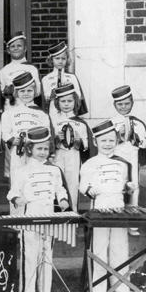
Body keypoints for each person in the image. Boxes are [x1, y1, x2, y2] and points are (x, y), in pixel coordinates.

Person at [7, 127, 70, 292]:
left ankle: (45, 290)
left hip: (49, 214)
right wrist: (18, 199)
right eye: (38, 149)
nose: (42, 152)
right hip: (30, 216)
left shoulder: (55, 170)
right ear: (29, 150)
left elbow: (60, 189)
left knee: (47, 252)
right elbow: (12, 193)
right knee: (30, 255)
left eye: (45, 149)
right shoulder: (21, 171)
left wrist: (63, 199)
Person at [79, 120, 136, 292]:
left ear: (116, 142)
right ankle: (98, 290)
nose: (108, 144)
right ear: (96, 142)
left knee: (120, 248)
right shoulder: (89, 163)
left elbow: (126, 186)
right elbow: (82, 186)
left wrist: (129, 187)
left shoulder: (124, 163)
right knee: (100, 249)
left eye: (111, 141)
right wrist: (89, 190)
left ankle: (121, 290)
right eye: (103, 141)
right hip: (99, 209)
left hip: (119, 209)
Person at [110, 85, 146, 236]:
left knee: (133, 189)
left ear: (132, 103)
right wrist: (117, 135)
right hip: (116, 159)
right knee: (117, 187)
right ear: (114, 105)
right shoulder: (111, 123)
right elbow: (101, 142)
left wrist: (137, 137)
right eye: (120, 104)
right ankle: (116, 221)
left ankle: (132, 224)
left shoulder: (138, 123)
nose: (123, 107)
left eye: (127, 103)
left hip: (133, 159)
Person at [51, 83, 96, 211]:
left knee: (72, 184)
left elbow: (87, 145)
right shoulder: (53, 121)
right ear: (57, 103)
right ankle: (56, 215)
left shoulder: (80, 123)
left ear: (75, 102)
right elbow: (47, 143)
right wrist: (56, 140)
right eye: (63, 101)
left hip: (73, 156)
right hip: (58, 156)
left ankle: (73, 213)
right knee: (57, 183)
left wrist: (79, 141)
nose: (66, 104)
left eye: (69, 101)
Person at [1, 72, 51, 185]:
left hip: (36, 151)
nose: (26, 94)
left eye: (29, 91)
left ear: (35, 92)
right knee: (16, 178)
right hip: (17, 151)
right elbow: (5, 131)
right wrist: (12, 139)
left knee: (35, 179)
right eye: (22, 91)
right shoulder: (9, 113)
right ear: (16, 93)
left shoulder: (41, 113)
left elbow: (47, 131)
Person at [41, 42, 87, 116]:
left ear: (67, 59)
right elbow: (44, 98)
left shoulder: (72, 77)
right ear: (51, 60)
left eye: (63, 58)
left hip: (70, 112)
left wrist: (70, 92)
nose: (60, 61)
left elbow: (78, 95)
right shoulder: (46, 79)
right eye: (57, 58)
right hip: (53, 111)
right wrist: (51, 95)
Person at [0, 31, 42, 110]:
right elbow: (2, 93)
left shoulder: (32, 68)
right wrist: (6, 91)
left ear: (25, 49)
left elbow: (38, 91)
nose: (16, 48)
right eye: (12, 46)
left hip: (29, 108)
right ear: (8, 50)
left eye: (19, 46)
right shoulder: (4, 70)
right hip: (11, 108)